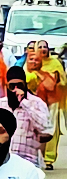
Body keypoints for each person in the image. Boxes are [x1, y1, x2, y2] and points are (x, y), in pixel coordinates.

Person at [0, 66, 54, 168]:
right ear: (7, 86)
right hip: (3, 162)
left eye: (19, 85)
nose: (16, 89)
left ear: (25, 85)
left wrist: (24, 103)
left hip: (28, 161)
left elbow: (45, 128)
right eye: (12, 86)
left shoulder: (37, 103)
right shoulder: (0, 104)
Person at [27, 40, 66, 169]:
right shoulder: (31, 60)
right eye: (40, 47)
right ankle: (36, 156)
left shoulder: (55, 63)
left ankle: (49, 159)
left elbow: (62, 82)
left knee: (51, 129)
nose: (43, 49)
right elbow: (26, 78)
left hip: (52, 101)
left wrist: (53, 81)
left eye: (45, 47)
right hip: (35, 100)